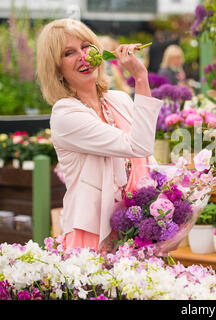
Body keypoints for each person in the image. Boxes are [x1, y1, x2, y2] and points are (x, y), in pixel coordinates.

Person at [36, 19, 162, 252]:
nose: (83, 57)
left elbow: (147, 162)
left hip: (137, 230)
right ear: (56, 69)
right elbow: (139, 146)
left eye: (86, 47)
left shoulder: (120, 100)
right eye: (68, 53)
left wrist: (166, 209)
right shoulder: (65, 114)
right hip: (94, 236)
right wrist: (141, 78)